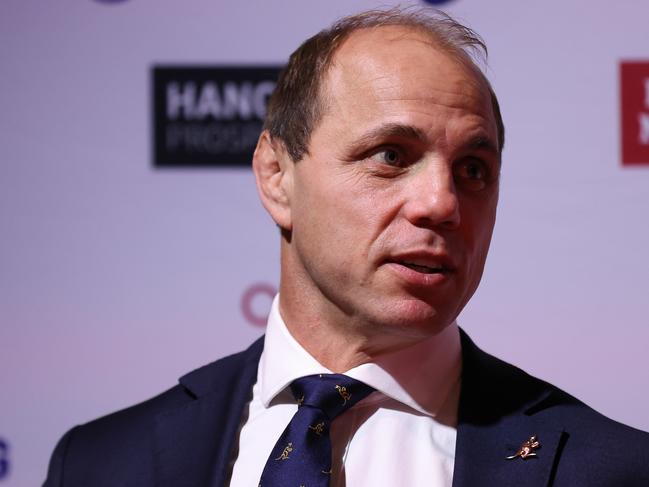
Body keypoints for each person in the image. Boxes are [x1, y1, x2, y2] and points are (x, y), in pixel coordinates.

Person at [43, 8, 649, 487]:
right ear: (277, 175)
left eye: (472, 169)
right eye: (391, 155)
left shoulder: (613, 468)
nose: (442, 203)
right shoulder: (100, 462)